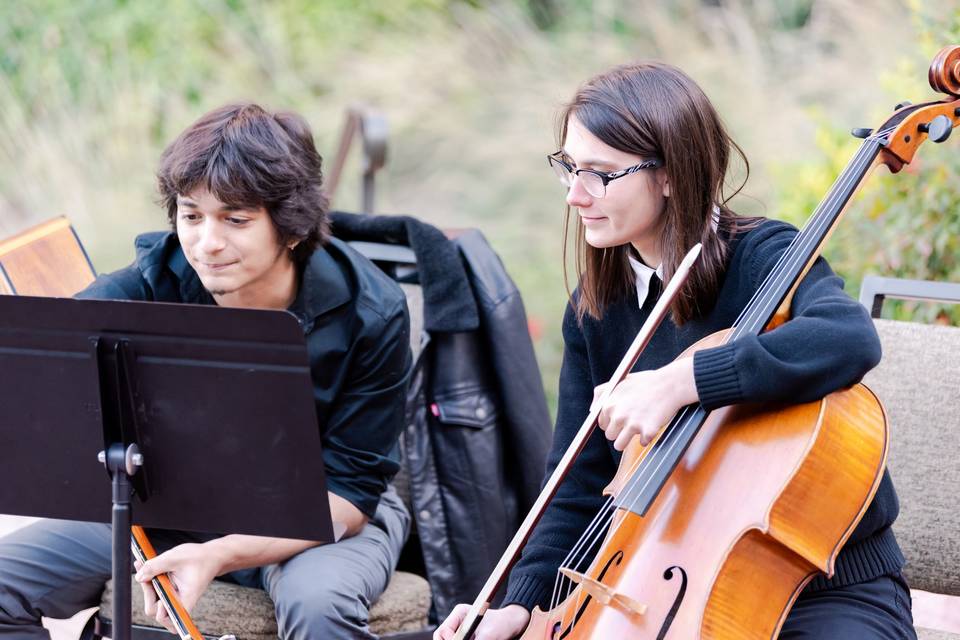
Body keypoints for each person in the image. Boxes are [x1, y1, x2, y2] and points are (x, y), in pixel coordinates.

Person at [436, 62, 915, 639]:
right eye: (568, 167)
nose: (574, 194)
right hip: (669, 585)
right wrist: (522, 604)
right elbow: (577, 479)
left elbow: (848, 338)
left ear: (669, 175)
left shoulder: (763, 256)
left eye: (599, 174)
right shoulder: (597, 308)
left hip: (824, 591)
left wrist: (682, 381)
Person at [0, 103, 412, 640]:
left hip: (320, 515)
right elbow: (53, 379)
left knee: (319, 607)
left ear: (291, 228)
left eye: (235, 220)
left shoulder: (372, 311)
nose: (206, 243)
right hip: (174, 505)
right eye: (192, 215)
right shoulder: (147, 285)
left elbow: (353, 491)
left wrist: (219, 553)